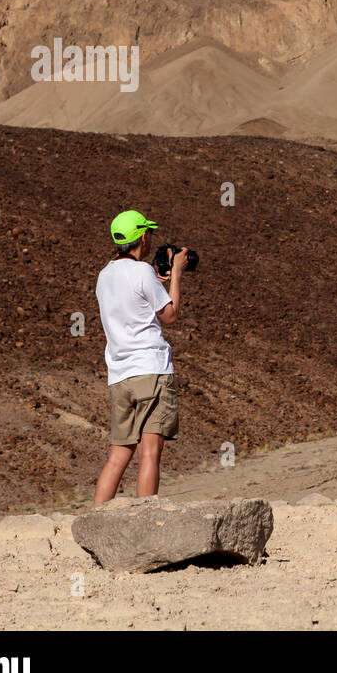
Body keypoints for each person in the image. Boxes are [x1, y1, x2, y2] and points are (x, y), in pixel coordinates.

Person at [93, 210, 190, 504]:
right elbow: (170, 315)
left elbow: (131, 302)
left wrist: (157, 281)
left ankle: (95, 519)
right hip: (150, 370)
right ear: (143, 237)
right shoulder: (142, 272)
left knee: (119, 456)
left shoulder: (104, 275)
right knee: (150, 452)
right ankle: (145, 518)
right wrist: (177, 275)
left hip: (120, 375)